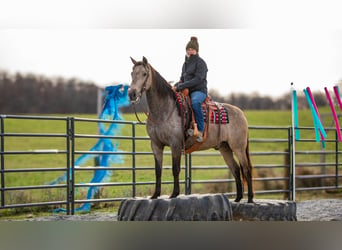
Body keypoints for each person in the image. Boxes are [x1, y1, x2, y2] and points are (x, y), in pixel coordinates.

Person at [174, 36, 208, 142]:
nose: (189, 51)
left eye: (192, 50)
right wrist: (176, 86)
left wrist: (182, 86)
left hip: (199, 90)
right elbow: (182, 78)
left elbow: (198, 79)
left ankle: (201, 131)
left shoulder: (201, 63)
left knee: (194, 103)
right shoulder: (185, 64)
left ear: (196, 51)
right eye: (188, 50)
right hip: (186, 90)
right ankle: (185, 128)